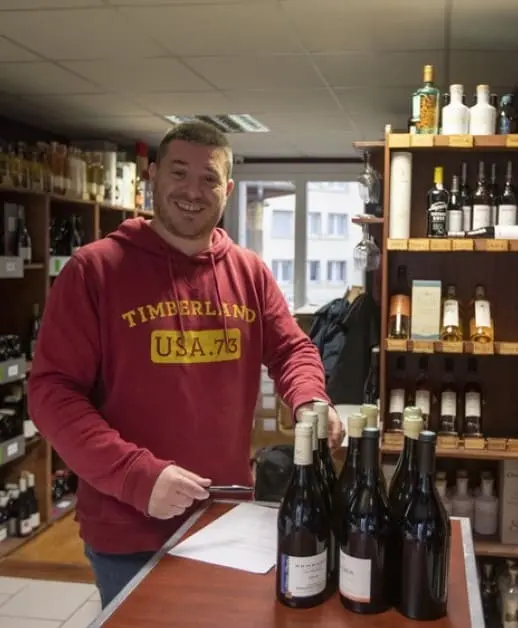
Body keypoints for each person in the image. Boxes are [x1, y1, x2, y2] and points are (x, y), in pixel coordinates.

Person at [27, 121, 344, 609]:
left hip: (226, 515)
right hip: (128, 524)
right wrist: (136, 475)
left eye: (209, 179)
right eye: (179, 173)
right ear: (153, 176)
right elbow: (52, 393)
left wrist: (309, 398)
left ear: (229, 190)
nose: (193, 192)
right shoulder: (94, 271)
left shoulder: (249, 271)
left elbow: (291, 350)